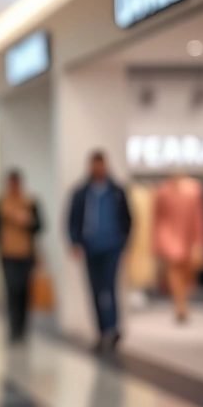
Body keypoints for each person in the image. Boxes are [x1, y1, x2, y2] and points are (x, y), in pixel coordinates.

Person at [68, 151, 132, 353]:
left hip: (112, 246)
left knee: (110, 288)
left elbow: (128, 219)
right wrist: (75, 241)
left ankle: (113, 328)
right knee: (95, 290)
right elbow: (72, 219)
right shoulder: (81, 193)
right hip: (91, 247)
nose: (98, 169)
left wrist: (123, 241)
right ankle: (101, 330)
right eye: (95, 165)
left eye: (101, 165)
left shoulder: (117, 191)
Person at [0, 169, 43, 343]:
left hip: (26, 254)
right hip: (8, 254)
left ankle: (23, 327)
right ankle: (13, 328)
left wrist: (28, 221)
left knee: (24, 291)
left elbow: (40, 226)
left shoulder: (30, 202)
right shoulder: (1, 203)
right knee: (12, 289)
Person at [152, 173, 203, 324]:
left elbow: (199, 217)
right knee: (174, 271)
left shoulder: (195, 190)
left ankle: (182, 302)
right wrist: (157, 241)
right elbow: (158, 217)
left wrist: (200, 241)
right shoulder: (163, 191)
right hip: (169, 235)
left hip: (188, 236)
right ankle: (180, 305)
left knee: (186, 273)